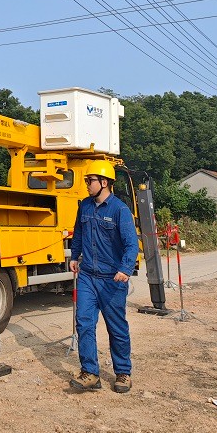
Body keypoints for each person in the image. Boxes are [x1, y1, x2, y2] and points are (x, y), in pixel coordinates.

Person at [69, 160, 139, 394]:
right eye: (87, 180)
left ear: (105, 182)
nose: (87, 184)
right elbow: (78, 232)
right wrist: (74, 255)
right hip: (88, 275)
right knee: (84, 322)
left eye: (90, 181)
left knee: (116, 327)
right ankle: (90, 373)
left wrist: (125, 269)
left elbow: (131, 244)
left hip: (112, 278)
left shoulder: (119, 210)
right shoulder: (85, 207)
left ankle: (123, 373)